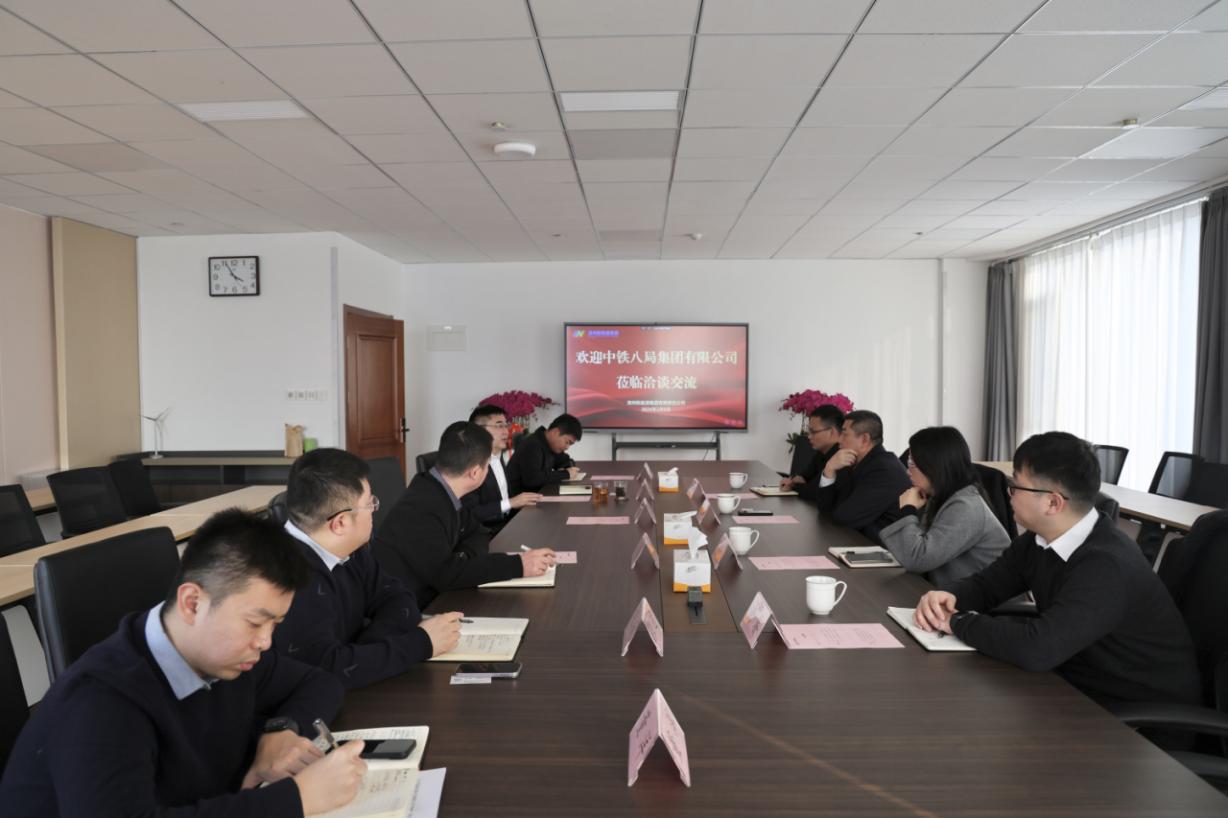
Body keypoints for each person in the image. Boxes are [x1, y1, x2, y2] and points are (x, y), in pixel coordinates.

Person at [0, 509, 368, 817]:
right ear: (192, 603)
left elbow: (319, 683)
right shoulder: (100, 702)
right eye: (255, 622)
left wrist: (281, 731)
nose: (266, 642)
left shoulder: (231, 657)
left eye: (276, 624)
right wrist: (296, 799)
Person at [913, 432, 1201, 709]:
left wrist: (957, 622)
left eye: (1016, 486)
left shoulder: (1105, 565)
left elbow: (1038, 648)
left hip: (1134, 712)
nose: (1009, 494)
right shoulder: (1039, 540)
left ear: (1053, 502)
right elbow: (987, 586)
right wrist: (947, 596)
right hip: (1076, 683)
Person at [273, 448, 463, 690]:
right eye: (370, 503)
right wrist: (421, 643)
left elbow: (398, 598)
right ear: (340, 523)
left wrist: (363, 654)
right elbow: (327, 671)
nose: (374, 509)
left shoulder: (350, 549)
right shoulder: (288, 579)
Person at [375, 421, 555, 605]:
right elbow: (447, 575)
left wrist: (462, 558)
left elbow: (479, 533)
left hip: (434, 594)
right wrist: (519, 565)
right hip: (409, 606)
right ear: (475, 473)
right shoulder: (423, 507)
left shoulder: (441, 490)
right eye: (488, 465)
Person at [878, 426, 1010, 588]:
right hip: (951, 592)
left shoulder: (966, 506)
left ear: (934, 465)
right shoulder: (940, 497)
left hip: (986, 601)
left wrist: (907, 509)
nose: (908, 472)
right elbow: (916, 548)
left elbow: (918, 559)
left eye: (912, 463)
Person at [813, 410, 912, 543]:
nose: (839, 440)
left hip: (883, 549)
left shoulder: (883, 470)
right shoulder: (855, 462)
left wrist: (836, 507)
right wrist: (829, 470)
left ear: (864, 439)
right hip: (856, 540)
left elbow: (844, 517)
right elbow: (825, 509)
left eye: (844, 434)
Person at [465, 404, 543, 531]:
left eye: (506, 425)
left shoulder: (498, 456)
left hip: (507, 524)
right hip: (485, 533)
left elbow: (505, 499)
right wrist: (511, 502)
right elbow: (471, 513)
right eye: (499, 426)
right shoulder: (468, 464)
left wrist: (521, 502)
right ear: (479, 431)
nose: (506, 431)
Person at [778, 404, 845, 501]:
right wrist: (796, 481)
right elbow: (803, 477)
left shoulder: (841, 457)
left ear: (832, 432)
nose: (809, 436)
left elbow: (814, 492)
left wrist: (794, 485)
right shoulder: (822, 452)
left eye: (813, 432)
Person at [505, 413, 582, 494]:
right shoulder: (532, 445)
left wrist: (570, 468)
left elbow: (566, 460)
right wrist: (565, 474)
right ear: (556, 432)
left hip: (537, 494)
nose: (567, 447)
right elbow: (532, 479)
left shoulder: (550, 444)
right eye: (567, 442)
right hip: (519, 498)